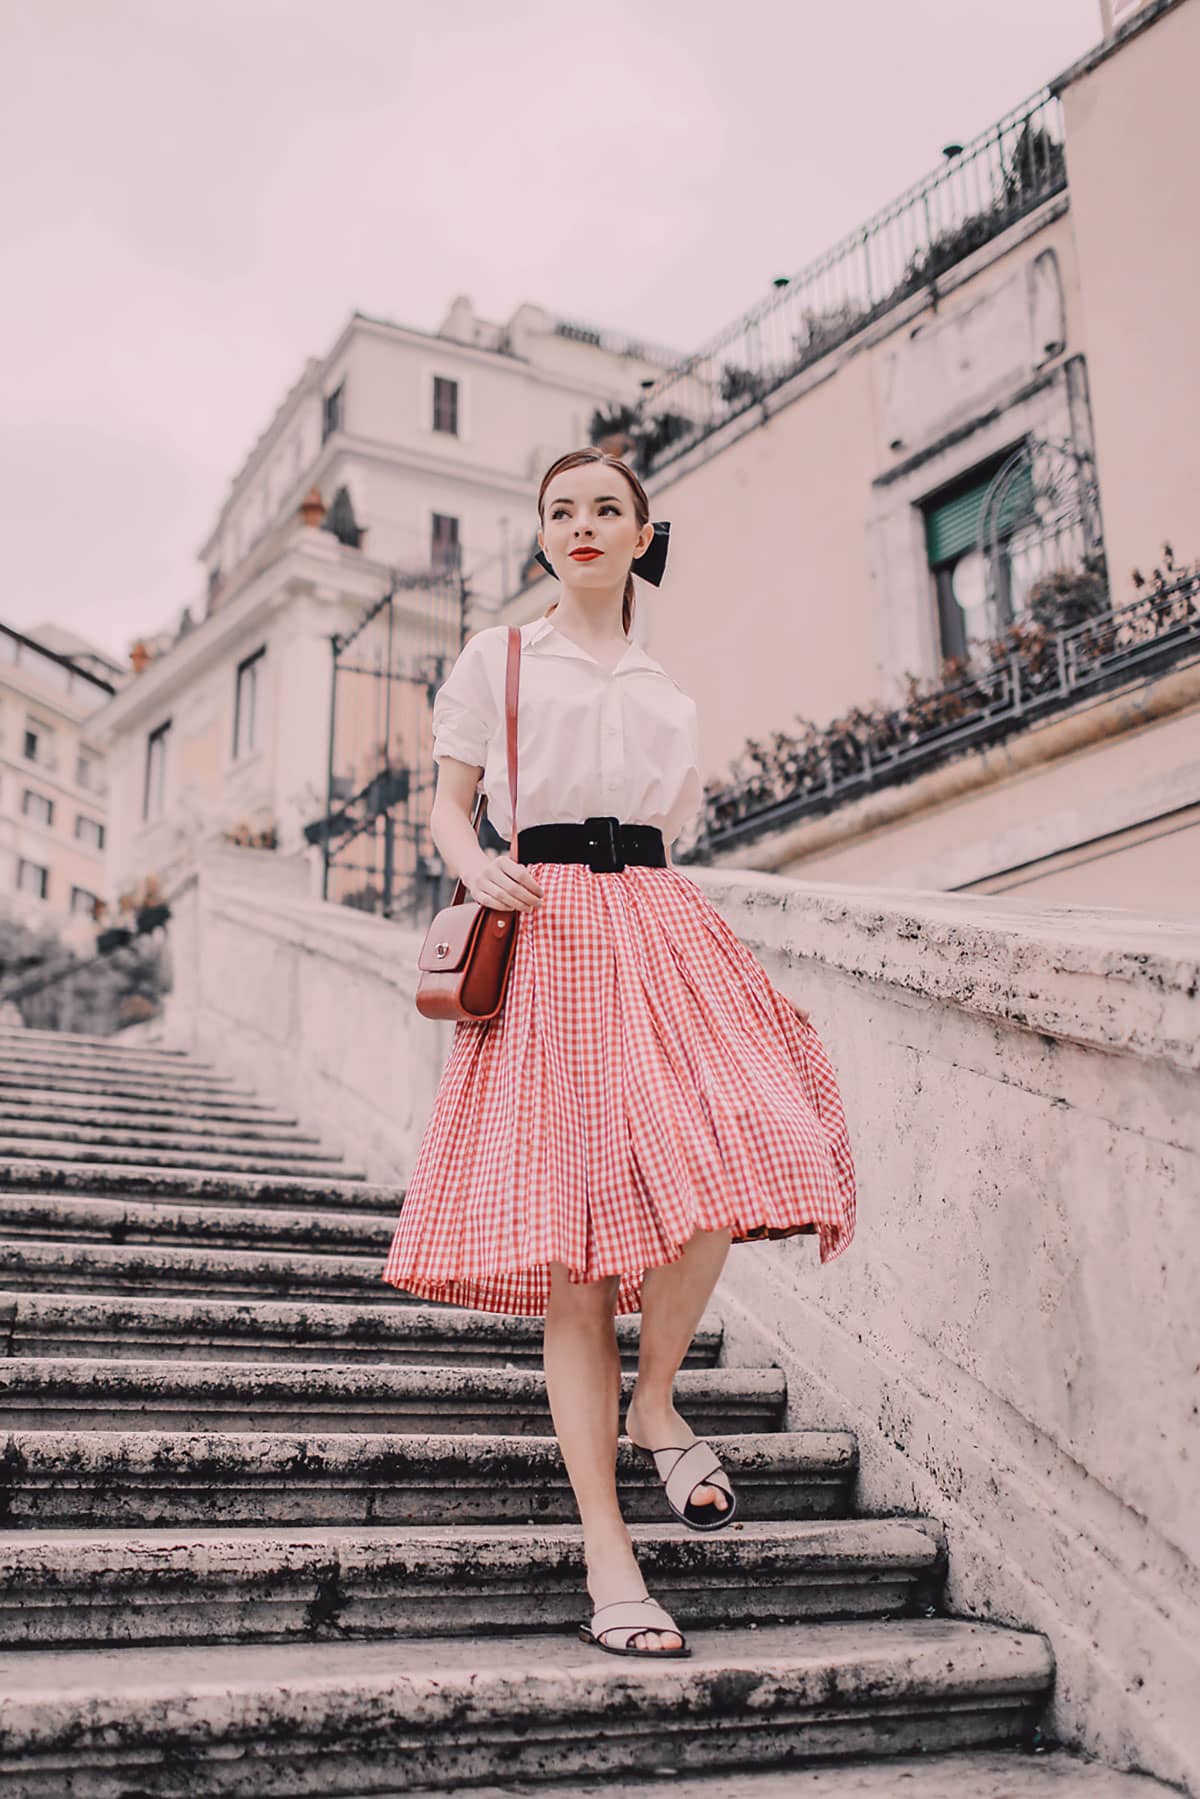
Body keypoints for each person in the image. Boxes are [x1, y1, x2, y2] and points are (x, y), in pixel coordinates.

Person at [383, 447, 856, 1659]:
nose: (582, 525)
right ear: (542, 536)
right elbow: (448, 796)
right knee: (577, 1254)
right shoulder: (498, 655)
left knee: (737, 1150)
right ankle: (611, 1555)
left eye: (607, 509)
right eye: (561, 511)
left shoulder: (665, 688)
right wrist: (471, 853)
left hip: (654, 915)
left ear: (645, 535)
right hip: (544, 925)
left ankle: (655, 1397)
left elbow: (669, 821)